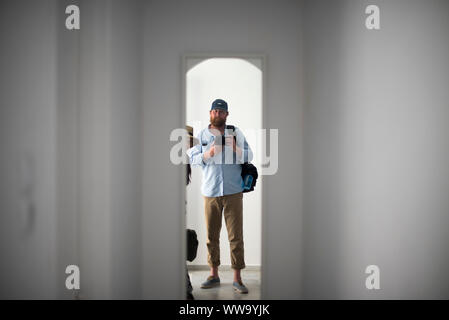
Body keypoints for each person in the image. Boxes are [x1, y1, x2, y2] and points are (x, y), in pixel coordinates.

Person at [186, 99, 253, 294]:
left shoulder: (236, 133)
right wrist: (209, 153)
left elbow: (250, 155)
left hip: (233, 192)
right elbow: (193, 158)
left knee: (236, 237)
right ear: (210, 113)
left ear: (226, 114)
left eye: (221, 112)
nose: (217, 114)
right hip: (210, 193)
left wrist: (235, 149)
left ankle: (237, 278)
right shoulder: (202, 135)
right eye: (214, 111)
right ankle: (213, 274)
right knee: (211, 236)